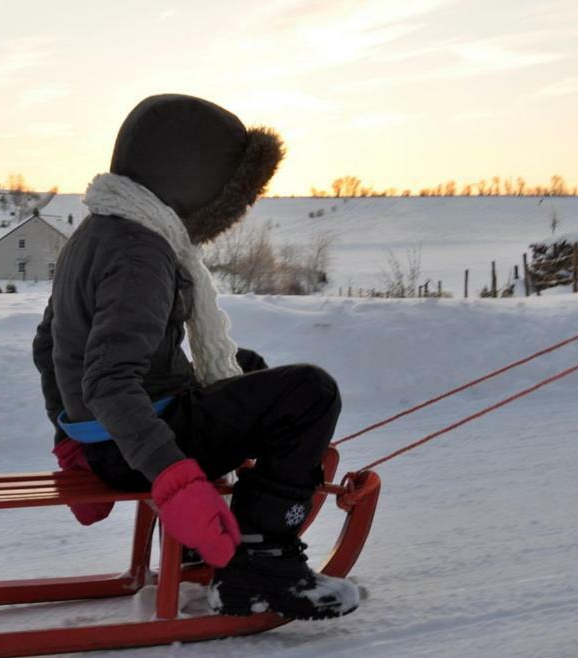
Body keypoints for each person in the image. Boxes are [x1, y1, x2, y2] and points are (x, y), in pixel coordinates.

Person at [33, 94, 358, 620]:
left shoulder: (99, 231)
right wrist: (176, 481)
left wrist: (69, 436)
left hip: (109, 438)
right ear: (193, 182)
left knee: (244, 365)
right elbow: (111, 382)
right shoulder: (142, 254)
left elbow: (50, 345)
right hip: (132, 445)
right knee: (310, 393)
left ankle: (234, 519)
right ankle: (260, 561)